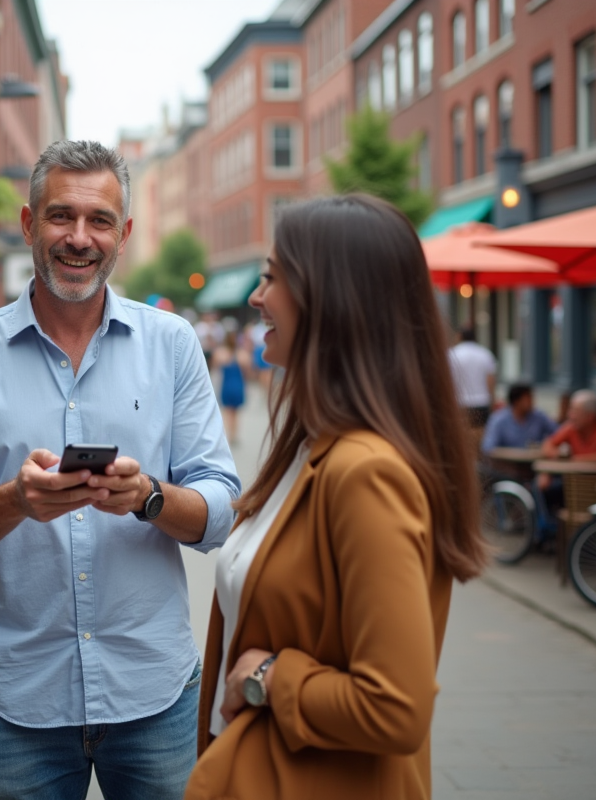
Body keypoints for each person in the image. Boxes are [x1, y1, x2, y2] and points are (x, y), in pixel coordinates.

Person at [0, 140, 241, 800]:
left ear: (125, 235)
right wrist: (14, 502)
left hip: (155, 693)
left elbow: (221, 507)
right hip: (17, 701)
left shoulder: (173, 346)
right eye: (61, 217)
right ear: (29, 224)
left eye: (100, 221)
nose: (79, 238)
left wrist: (148, 497)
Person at [185, 195, 487, 800]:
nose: (255, 296)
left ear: (333, 296)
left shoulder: (365, 472)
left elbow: (395, 707)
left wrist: (267, 677)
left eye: (273, 276)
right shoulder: (312, 449)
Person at [536, 389, 596, 494]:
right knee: (541, 485)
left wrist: (572, 460)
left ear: (590, 416)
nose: (570, 415)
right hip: (583, 484)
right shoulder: (572, 429)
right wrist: (548, 470)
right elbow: (548, 444)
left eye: (575, 412)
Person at [481, 383, 558, 454]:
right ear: (516, 401)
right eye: (528, 398)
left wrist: (548, 442)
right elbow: (488, 447)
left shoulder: (539, 417)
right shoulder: (499, 420)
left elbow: (558, 432)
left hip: (533, 464)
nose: (532, 401)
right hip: (505, 465)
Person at [449, 326, 497, 428]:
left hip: (460, 403)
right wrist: (492, 401)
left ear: (459, 337)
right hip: (481, 402)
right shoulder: (485, 354)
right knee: (480, 437)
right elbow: (490, 381)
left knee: (462, 436)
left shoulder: (452, 354)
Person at [211, 329, 248, 444]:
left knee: (228, 412)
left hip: (226, 384)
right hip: (238, 384)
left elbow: (214, 367)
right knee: (235, 412)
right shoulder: (242, 353)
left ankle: (230, 434)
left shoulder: (220, 353)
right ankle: (233, 434)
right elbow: (247, 369)